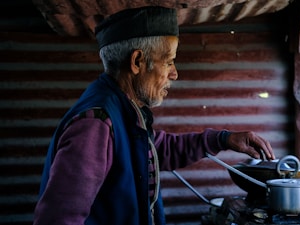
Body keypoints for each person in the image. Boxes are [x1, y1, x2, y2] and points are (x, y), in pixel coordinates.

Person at [33, 6, 275, 225]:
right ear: (138, 61)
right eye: (169, 61)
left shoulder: (124, 109)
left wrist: (223, 139)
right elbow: (57, 219)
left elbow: (158, 150)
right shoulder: (96, 124)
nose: (175, 74)